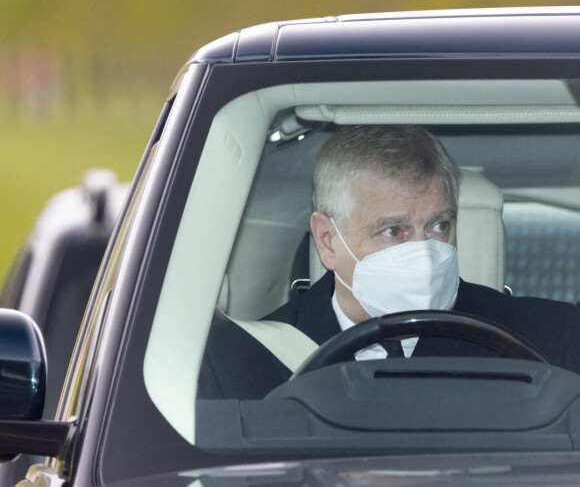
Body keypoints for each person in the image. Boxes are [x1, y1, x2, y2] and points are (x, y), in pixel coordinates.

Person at [198, 125, 580, 400]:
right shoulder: (236, 363)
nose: (425, 251)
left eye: (439, 225)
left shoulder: (552, 340)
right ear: (328, 241)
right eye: (393, 231)